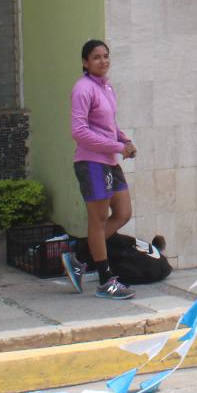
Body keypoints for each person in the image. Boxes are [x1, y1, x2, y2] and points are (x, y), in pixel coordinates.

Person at [63, 39, 138, 300]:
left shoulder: (106, 87)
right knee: (99, 220)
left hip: (109, 161)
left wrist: (124, 140)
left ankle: (79, 258)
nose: (103, 61)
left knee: (123, 213)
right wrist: (117, 145)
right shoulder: (83, 89)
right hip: (91, 162)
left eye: (106, 56)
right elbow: (79, 131)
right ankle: (106, 280)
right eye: (96, 57)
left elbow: (109, 126)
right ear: (85, 62)